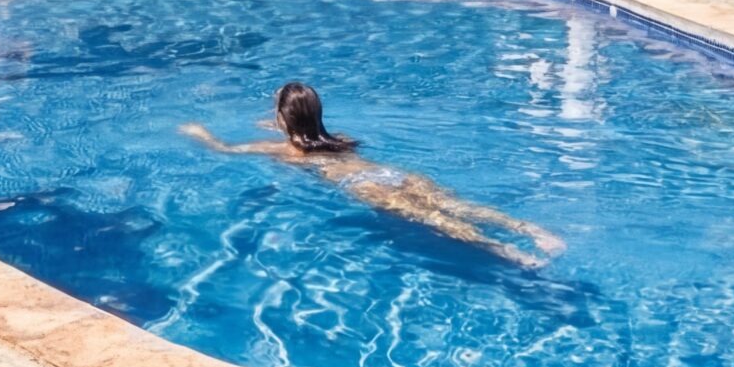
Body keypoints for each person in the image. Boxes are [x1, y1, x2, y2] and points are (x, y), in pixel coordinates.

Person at [182, 81, 565, 268]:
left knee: (436, 220)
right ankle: (532, 231)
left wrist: (200, 133)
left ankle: (507, 252)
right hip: (393, 175)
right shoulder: (337, 139)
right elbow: (302, 128)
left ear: (284, 120)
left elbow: (226, 149)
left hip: (365, 187)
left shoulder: (288, 152)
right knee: (455, 205)